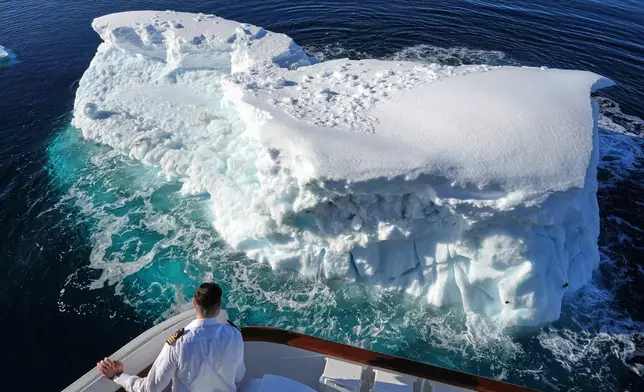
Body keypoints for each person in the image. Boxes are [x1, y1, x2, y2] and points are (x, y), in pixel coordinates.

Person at [97, 283, 246, 392]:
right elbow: (239, 376)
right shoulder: (234, 335)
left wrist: (117, 376)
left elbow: (151, 388)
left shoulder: (178, 343)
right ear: (219, 304)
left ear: (194, 303)